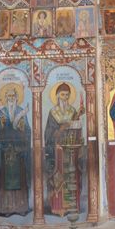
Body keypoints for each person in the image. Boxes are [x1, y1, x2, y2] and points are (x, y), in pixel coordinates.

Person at [44, 83, 84, 216]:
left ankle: (72, 205)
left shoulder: (72, 111)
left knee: (72, 176)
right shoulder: (53, 112)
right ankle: (58, 206)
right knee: (59, 176)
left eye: (67, 95)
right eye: (62, 94)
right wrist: (61, 129)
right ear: (57, 96)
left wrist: (77, 119)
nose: (65, 97)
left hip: (71, 150)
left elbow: (76, 129)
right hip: (58, 152)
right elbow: (48, 134)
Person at [0, 84, 31, 216]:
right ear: (5, 97)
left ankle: (21, 208)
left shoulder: (21, 112)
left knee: (20, 180)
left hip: (19, 153)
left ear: (16, 97)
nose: (11, 98)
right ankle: (7, 208)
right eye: (8, 96)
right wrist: (1, 126)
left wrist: (22, 127)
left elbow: (28, 131)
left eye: (13, 95)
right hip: (5, 154)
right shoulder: (1, 114)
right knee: (6, 181)